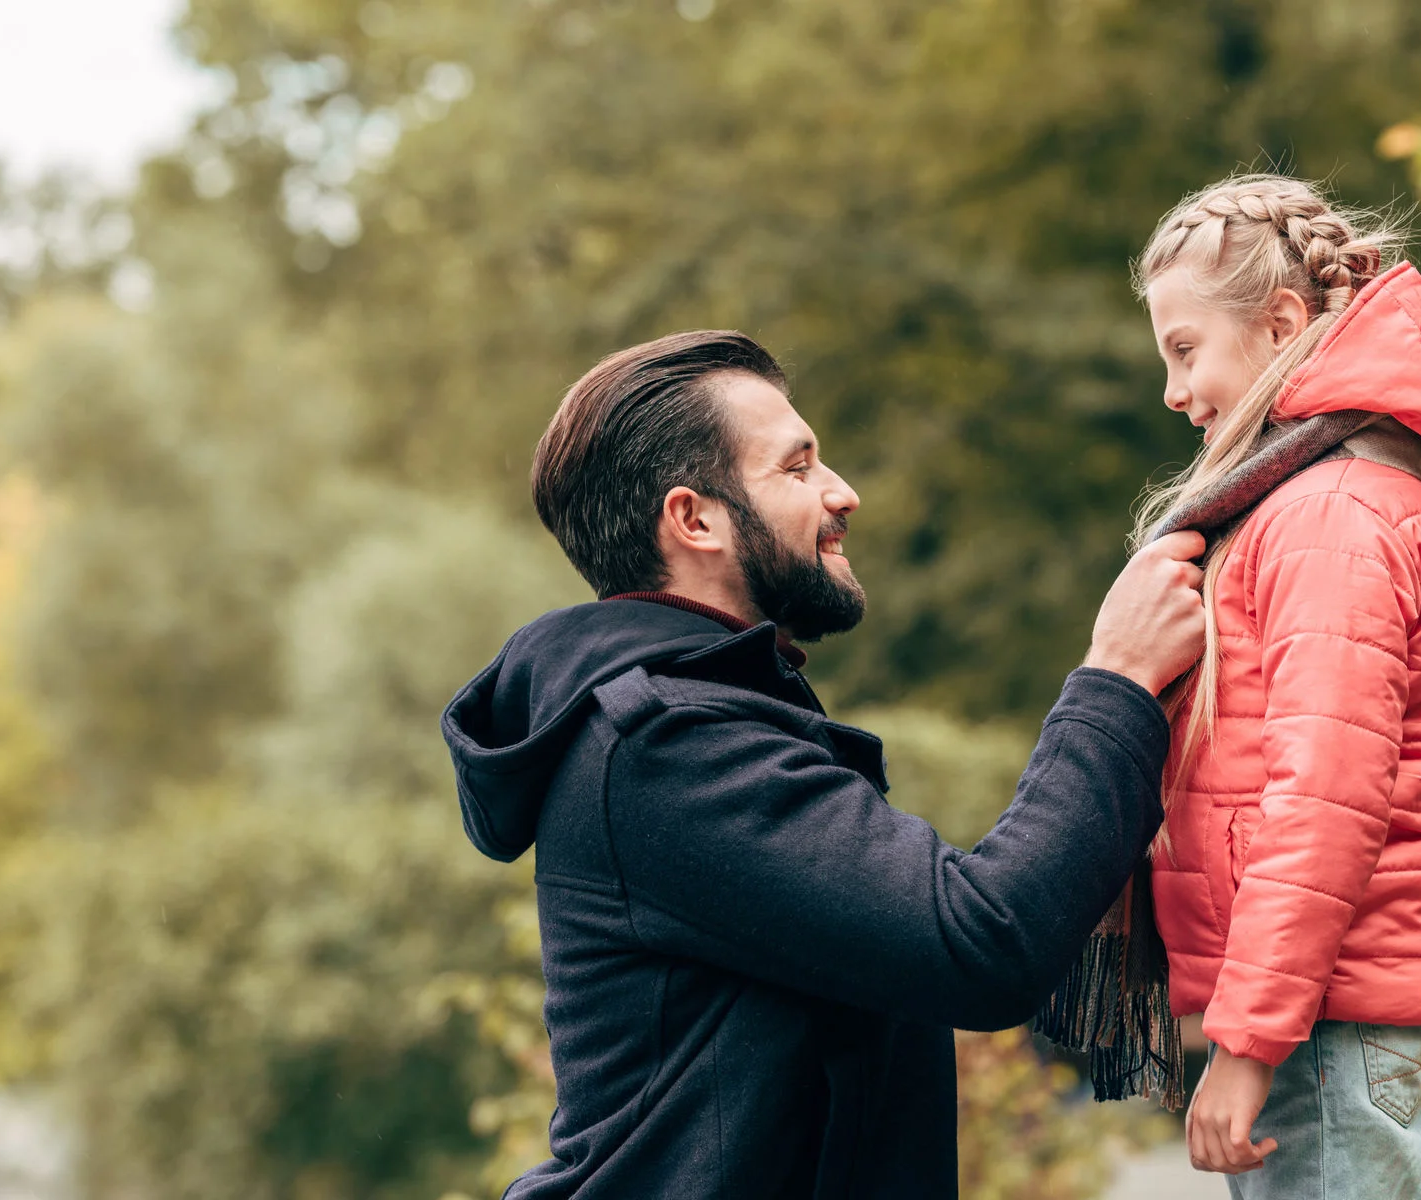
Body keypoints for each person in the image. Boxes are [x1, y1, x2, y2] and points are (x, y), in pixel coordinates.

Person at [440, 330, 1206, 1198]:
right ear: (695, 520)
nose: (845, 492)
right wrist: (1118, 679)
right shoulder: (667, 747)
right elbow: (980, 941)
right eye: (798, 469)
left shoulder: (709, 719)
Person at [1133, 175, 1421, 1197]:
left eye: (1184, 349)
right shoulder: (1307, 501)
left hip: (1322, 1024)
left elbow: (1325, 804)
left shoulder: (1328, 513)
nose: (1172, 388)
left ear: (1282, 324)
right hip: (1314, 1011)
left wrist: (1247, 1044)